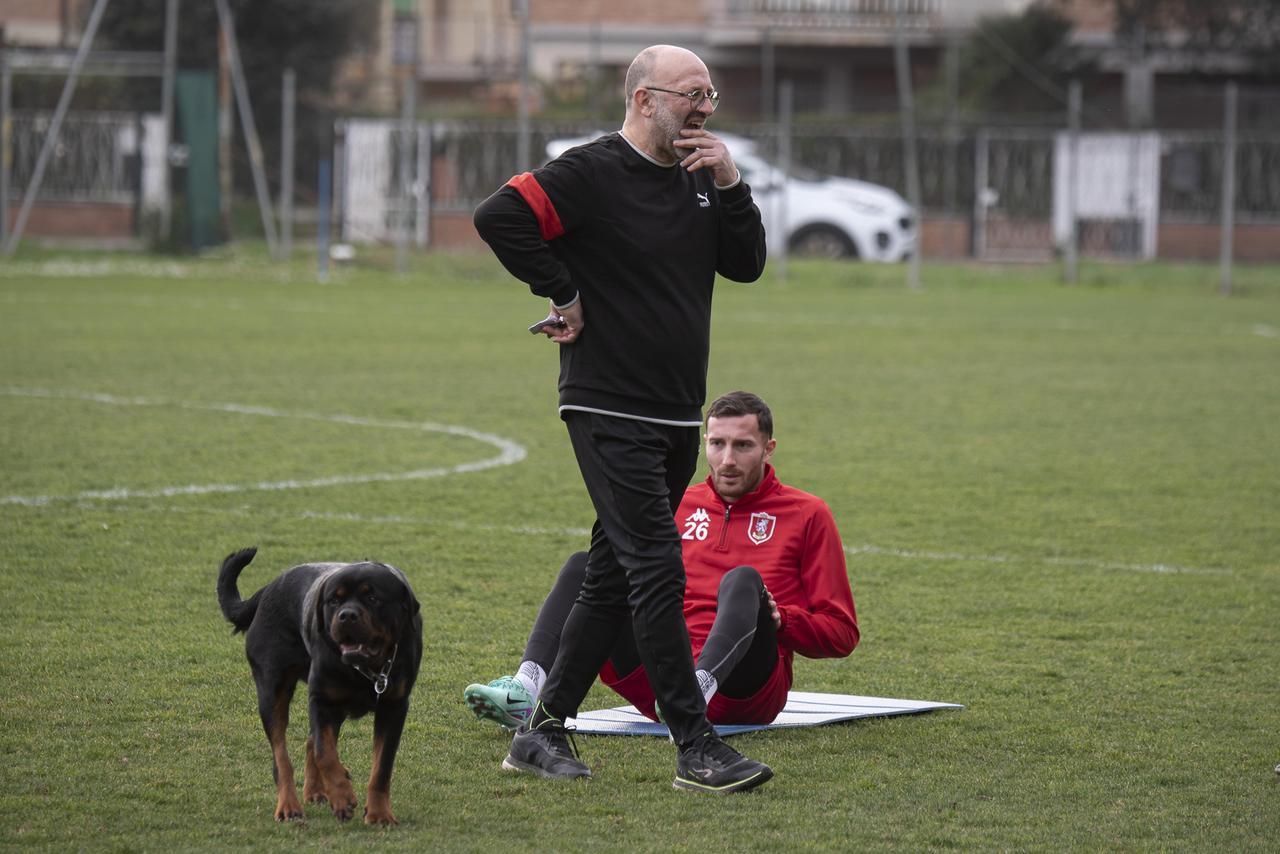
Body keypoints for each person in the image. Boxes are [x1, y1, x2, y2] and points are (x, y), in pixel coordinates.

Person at [472, 45, 769, 793]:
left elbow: (747, 264)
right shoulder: (592, 170)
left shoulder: (700, 177)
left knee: (608, 577)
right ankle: (696, 746)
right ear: (644, 99)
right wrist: (562, 291)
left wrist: (731, 182)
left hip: (676, 409)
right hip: (607, 403)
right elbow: (499, 215)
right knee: (656, 566)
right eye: (691, 94)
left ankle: (541, 733)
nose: (704, 108)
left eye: (711, 95)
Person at [465, 392, 859, 737]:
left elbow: (841, 633)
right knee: (587, 566)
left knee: (743, 581)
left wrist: (781, 620)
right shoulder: (677, 501)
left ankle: (695, 694)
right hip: (660, 677)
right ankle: (525, 688)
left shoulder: (808, 514)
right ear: (704, 442)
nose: (727, 460)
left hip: (745, 689)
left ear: (768, 448)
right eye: (717, 444)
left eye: (743, 446)